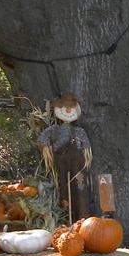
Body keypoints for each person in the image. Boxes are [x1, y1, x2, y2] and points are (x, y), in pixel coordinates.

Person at [37, 93, 92, 222]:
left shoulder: (79, 131)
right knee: (63, 186)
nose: (68, 111)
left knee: (80, 187)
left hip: (77, 164)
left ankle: (82, 219)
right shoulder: (52, 130)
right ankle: (67, 219)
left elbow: (86, 148)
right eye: (64, 108)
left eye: (70, 108)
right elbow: (42, 141)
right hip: (60, 161)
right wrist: (48, 155)